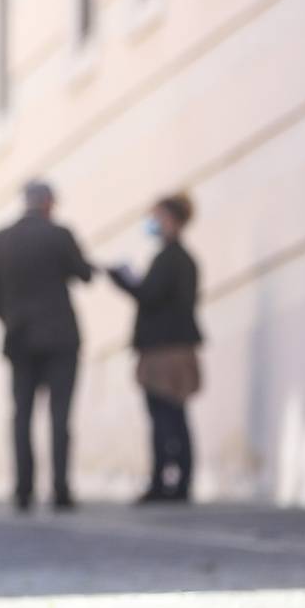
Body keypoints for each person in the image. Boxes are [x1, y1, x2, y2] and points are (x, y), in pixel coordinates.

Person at [0, 180, 93, 511]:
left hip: (20, 336)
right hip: (60, 337)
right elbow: (83, 273)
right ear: (48, 203)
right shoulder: (59, 235)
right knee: (59, 416)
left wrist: (8, 313)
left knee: (22, 415)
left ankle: (23, 489)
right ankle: (60, 489)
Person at [108, 194, 204, 504]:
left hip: (165, 350)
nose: (152, 224)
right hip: (172, 347)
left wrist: (123, 281)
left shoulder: (172, 258)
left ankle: (168, 482)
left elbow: (150, 295)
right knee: (173, 416)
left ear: (172, 220)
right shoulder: (177, 258)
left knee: (167, 416)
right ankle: (176, 481)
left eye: (157, 217)